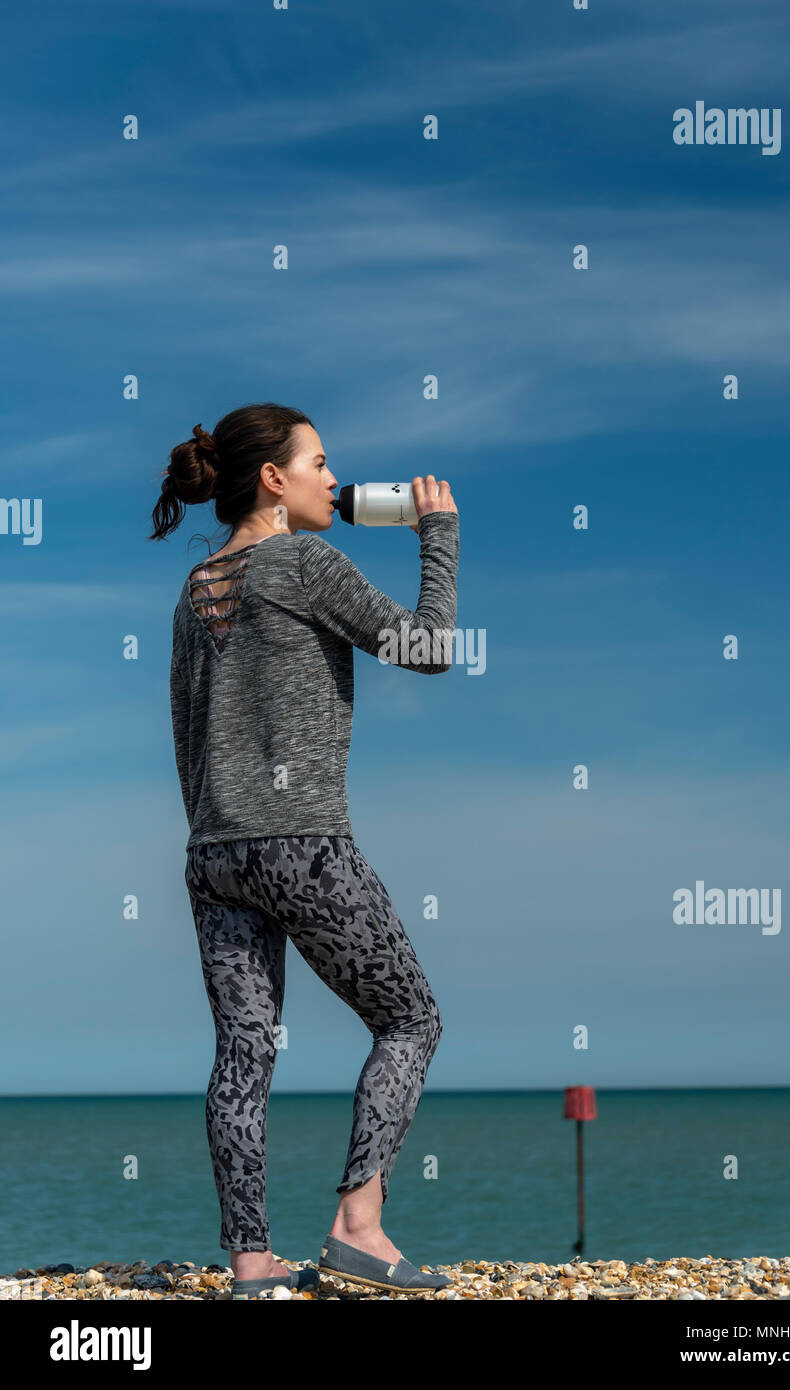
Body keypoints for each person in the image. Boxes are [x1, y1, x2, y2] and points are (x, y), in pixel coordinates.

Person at [149, 402, 459, 1296]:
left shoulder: (196, 585)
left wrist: (216, 834)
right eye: (319, 462)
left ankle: (251, 1264)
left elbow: (185, 735)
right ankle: (359, 1225)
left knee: (242, 1056)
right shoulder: (301, 558)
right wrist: (435, 535)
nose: (334, 478)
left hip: (214, 853)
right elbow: (428, 646)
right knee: (410, 1020)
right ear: (273, 480)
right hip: (304, 846)